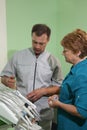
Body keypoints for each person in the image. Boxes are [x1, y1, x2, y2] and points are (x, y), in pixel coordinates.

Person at [0, 24, 63, 130]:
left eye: (41, 43)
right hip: (21, 111)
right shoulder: (18, 56)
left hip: (44, 112)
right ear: (31, 37)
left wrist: (44, 91)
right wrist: (7, 81)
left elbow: (60, 86)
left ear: (48, 40)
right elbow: (3, 77)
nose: (37, 46)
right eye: (35, 42)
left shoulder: (53, 61)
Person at [48, 29, 87, 130]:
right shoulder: (76, 68)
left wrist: (58, 104)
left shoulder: (82, 74)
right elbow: (73, 94)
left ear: (78, 52)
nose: (63, 53)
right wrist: (60, 97)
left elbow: (81, 112)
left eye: (65, 50)